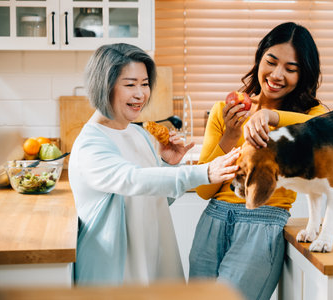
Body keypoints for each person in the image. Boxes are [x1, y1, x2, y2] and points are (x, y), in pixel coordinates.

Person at [68, 43, 240, 286]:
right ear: (104, 86)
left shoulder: (138, 135)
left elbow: (154, 198)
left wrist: (168, 165)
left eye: (145, 83)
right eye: (130, 84)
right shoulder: (90, 145)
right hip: (116, 275)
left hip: (153, 262)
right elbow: (132, 180)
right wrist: (204, 172)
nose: (140, 94)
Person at [188, 22, 328, 300]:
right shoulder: (226, 110)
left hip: (263, 223)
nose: (277, 75)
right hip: (213, 220)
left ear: (303, 74)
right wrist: (230, 134)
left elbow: (321, 126)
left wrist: (271, 116)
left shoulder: (310, 114)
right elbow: (204, 191)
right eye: (271, 62)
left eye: (291, 68)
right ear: (259, 58)